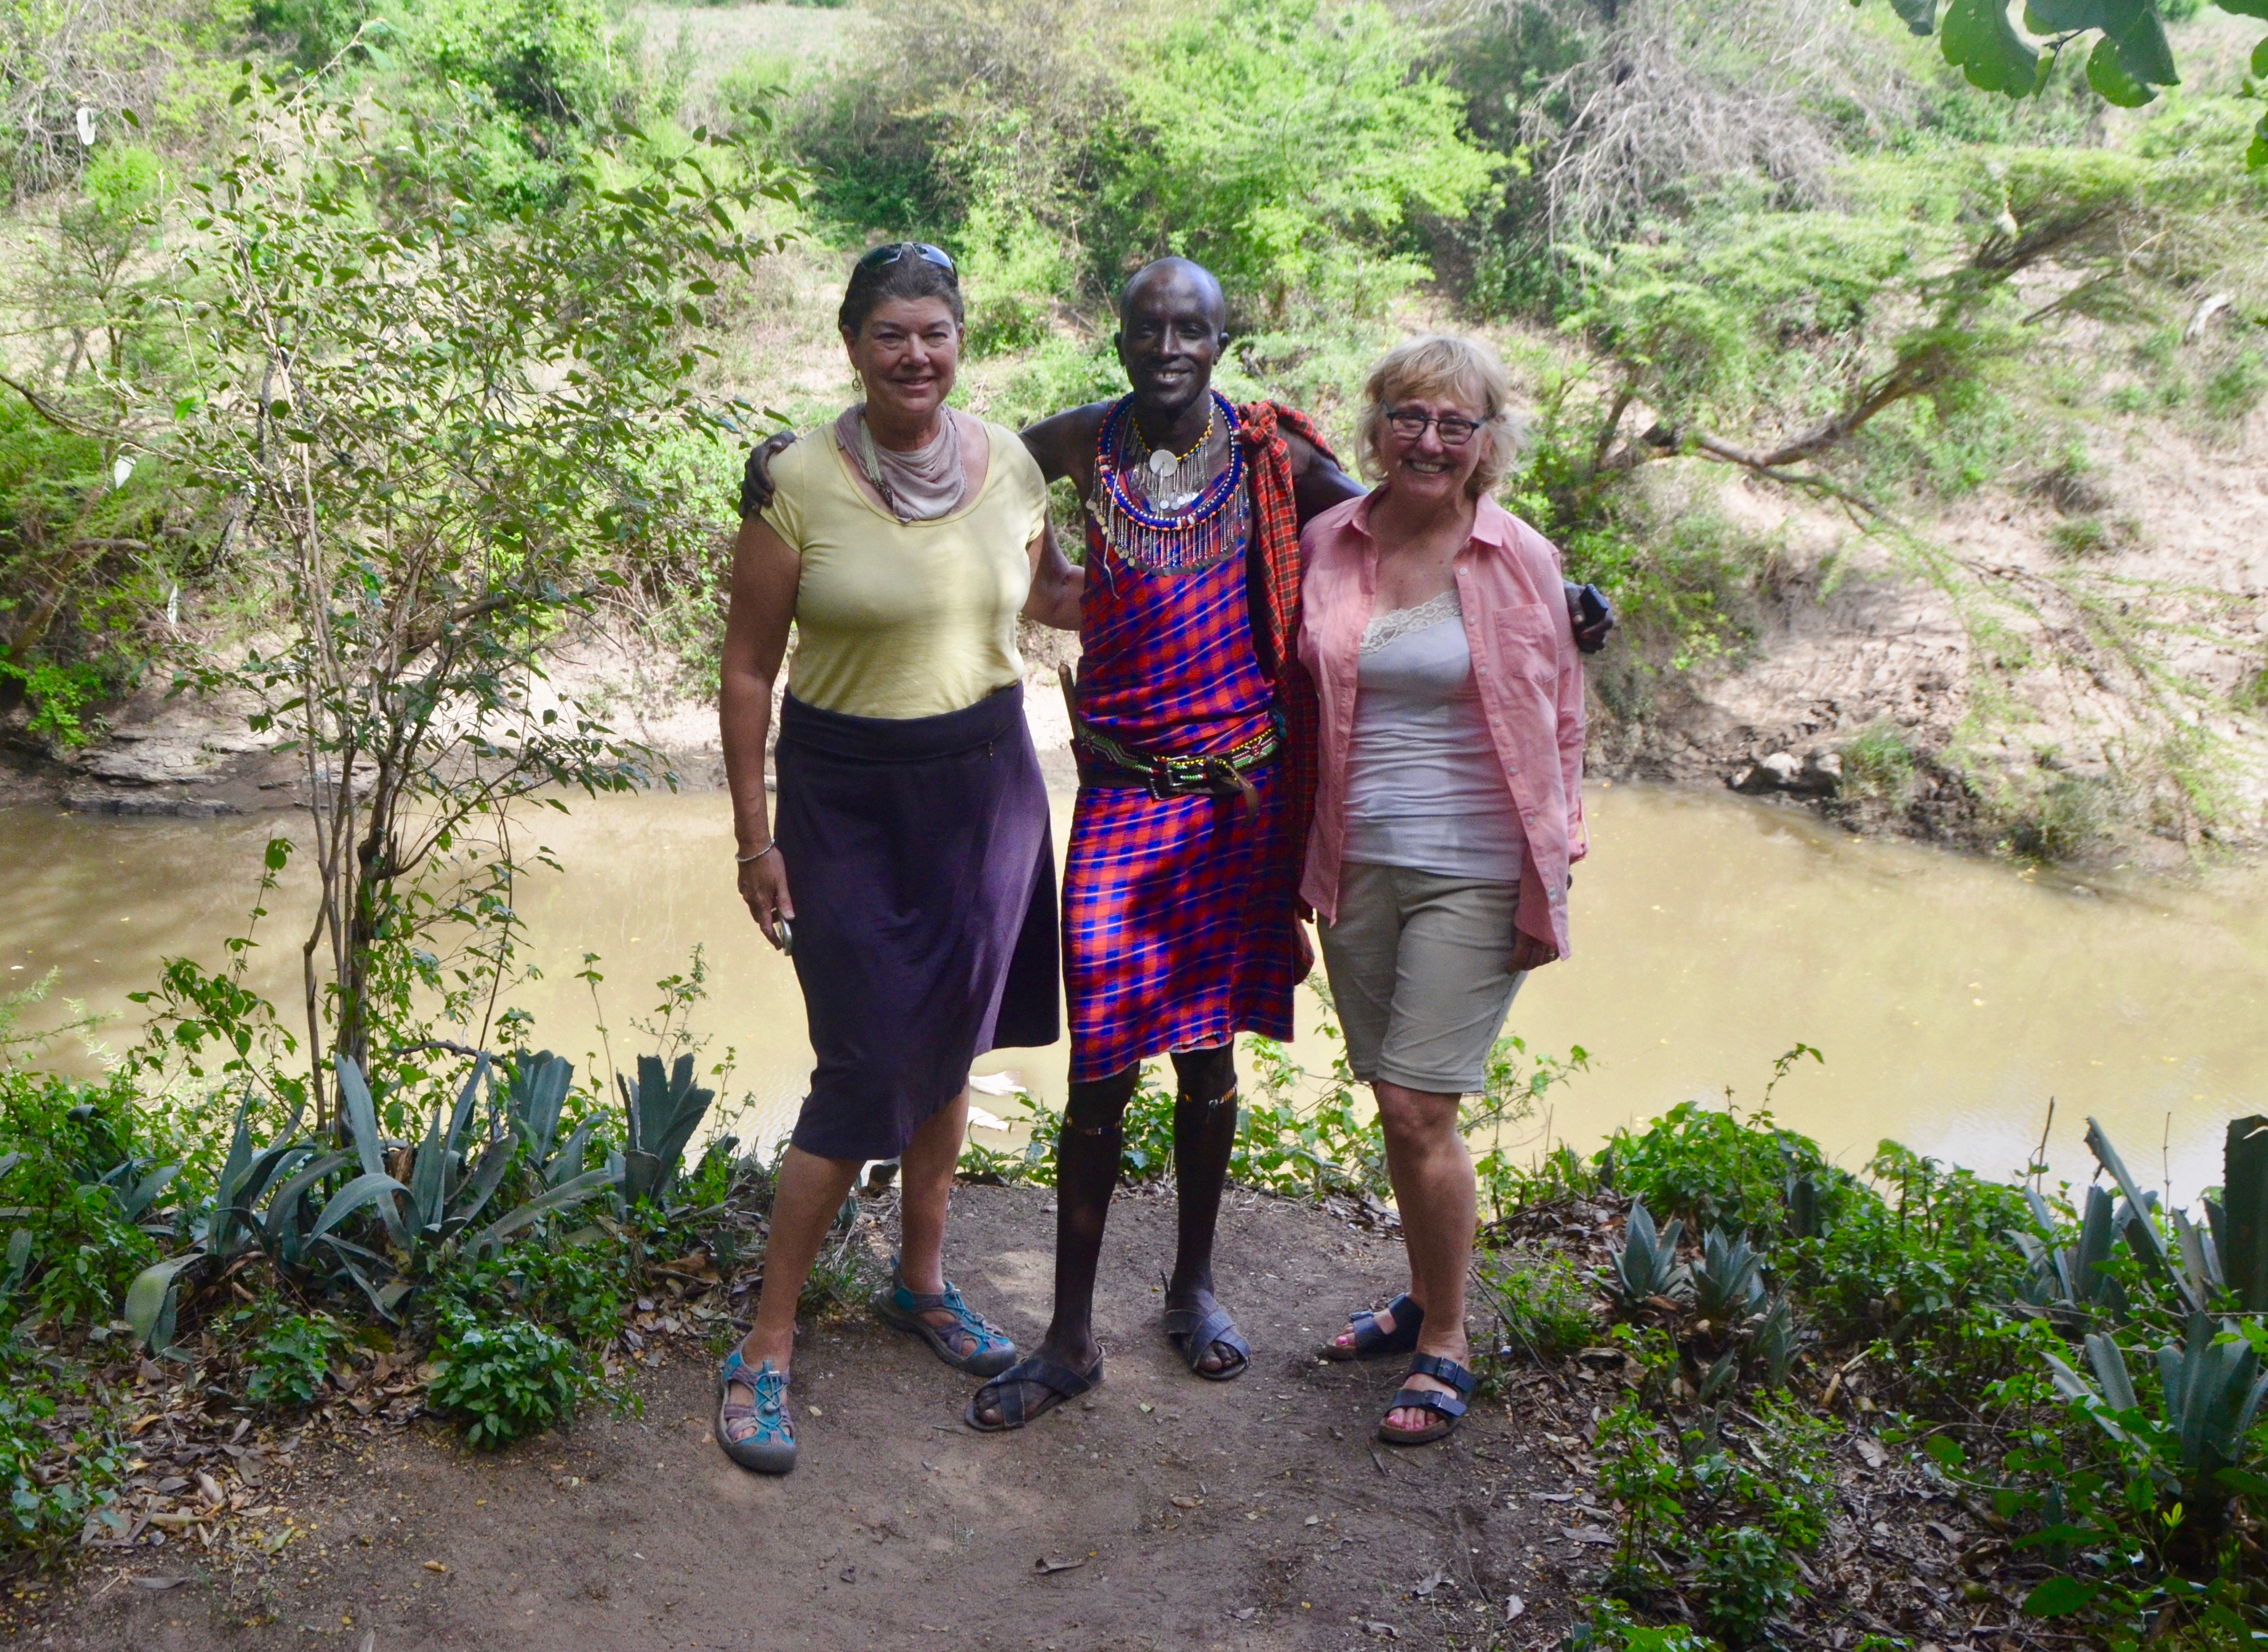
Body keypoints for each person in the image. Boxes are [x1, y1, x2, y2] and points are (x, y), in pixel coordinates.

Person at [741, 261, 1612, 1435]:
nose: (1167, 345)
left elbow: (1403, 512)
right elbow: (944, 449)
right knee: (1097, 1071)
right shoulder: (1074, 442)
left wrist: (1571, 590)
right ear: (1117, 339)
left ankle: (1191, 1286)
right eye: (1147, 326)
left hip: (1237, 805)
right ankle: (1066, 1335)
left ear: (1221, 336)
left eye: (1190, 327)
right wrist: (790, 452)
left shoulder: (1275, 462)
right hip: (1115, 795)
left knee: (1209, 1065)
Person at [712, 242, 1084, 1474]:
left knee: (950, 1045)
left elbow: (1043, 600)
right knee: (864, 1060)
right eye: (889, 334)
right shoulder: (797, 483)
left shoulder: (1012, 465)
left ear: (960, 338)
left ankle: (920, 1281)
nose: (913, 353)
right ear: (852, 344)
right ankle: (764, 1342)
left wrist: (1194, 563)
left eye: (933, 331)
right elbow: (748, 668)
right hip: (843, 800)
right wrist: (753, 836)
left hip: (985, 791)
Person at [1299, 335, 1587, 1447]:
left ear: (1485, 446)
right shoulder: (1329, 543)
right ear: (1372, 429)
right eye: (1409, 417)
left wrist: (1553, 860)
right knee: (1394, 1094)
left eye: (1452, 424)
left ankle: (1445, 1337)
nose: (1428, 440)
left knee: (1422, 1102)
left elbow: (1562, 711)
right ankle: (1423, 1288)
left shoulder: (1520, 557)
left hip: (1473, 861)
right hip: (1355, 857)